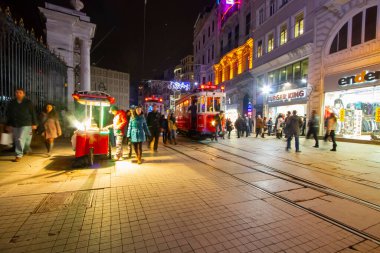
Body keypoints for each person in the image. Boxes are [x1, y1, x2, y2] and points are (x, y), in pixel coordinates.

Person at [6, 88, 38, 162]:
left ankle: (20, 153)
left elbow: (33, 113)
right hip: (15, 123)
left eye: (20, 92)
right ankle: (22, 152)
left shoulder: (28, 102)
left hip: (26, 123)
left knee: (21, 139)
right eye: (17, 92)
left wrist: (34, 123)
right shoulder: (12, 103)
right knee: (19, 139)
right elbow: (9, 114)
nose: (18, 94)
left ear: (23, 94)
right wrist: (8, 124)